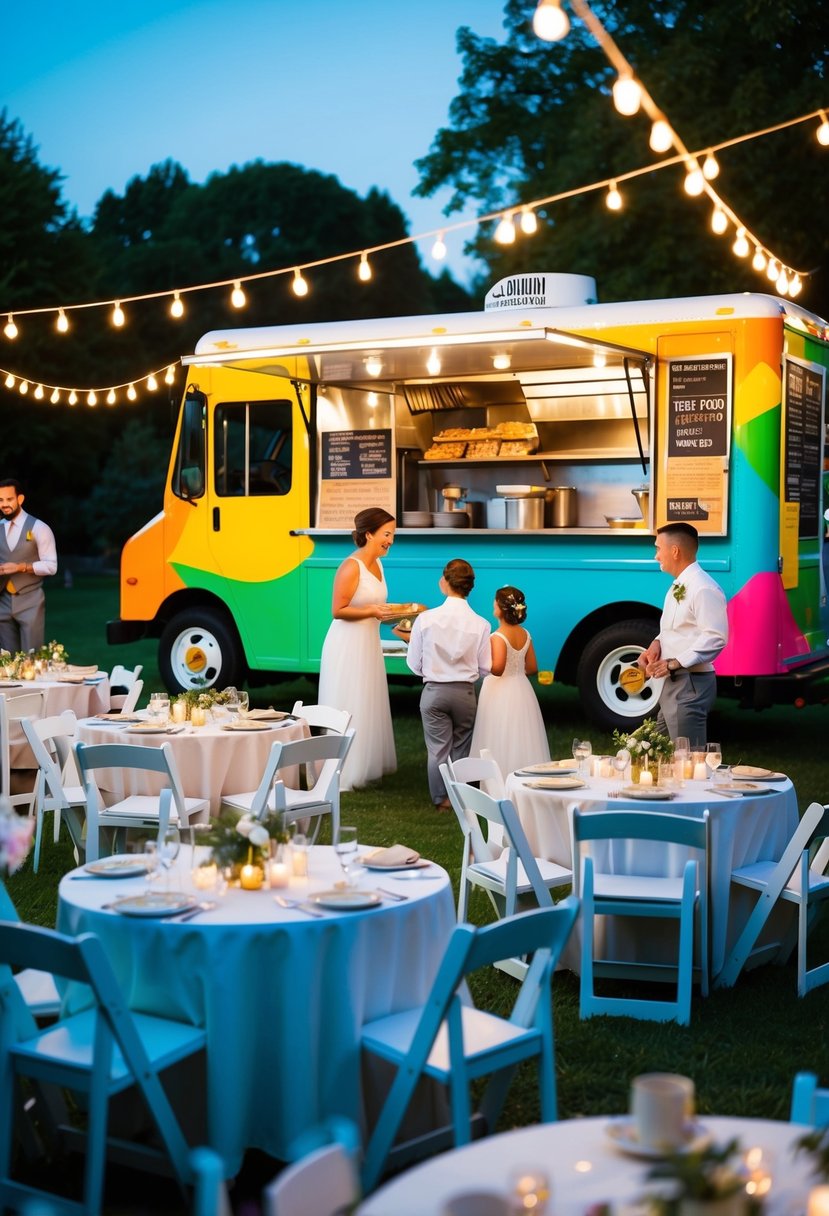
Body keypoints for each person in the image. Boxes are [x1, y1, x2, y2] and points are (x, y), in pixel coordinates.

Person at [318, 507, 398, 790]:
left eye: (393, 534)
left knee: (366, 701)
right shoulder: (351, 566)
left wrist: (386, 612)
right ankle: (344, 771)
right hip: (347, 645)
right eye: (386, 534)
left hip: (368, 643)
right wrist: (371, 611)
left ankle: (364, 765)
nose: (391, 540)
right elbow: (338, 610)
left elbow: (373, 605)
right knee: (349, 702)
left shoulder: (379, 564)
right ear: (369, 534)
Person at [406, 558, 491, 811]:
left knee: (437, 750)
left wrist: (432, 672)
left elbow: (413, 663)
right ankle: (461, 797)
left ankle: (441, 800)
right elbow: (485, 667)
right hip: (465, 693)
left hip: (434, 692)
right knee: (461, 748)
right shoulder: (481, 624)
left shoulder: (426, 619)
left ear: (445, 582)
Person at [638, 522, 728, 747]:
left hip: (690, 684)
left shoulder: (704, 588)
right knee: (656, 751)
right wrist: (656, 644)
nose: (656, 555)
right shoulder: (678, 585)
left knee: (687, 760)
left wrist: (675, 662)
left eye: (658, 548)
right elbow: (677, 628)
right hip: (674, 683)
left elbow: (716, 636)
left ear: (675, 551)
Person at [469, 585, 550, 786]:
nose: (492, 605)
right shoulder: (525, 634)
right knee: (521, 735)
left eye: (494, 602)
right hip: (521, 688)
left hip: (500, 690)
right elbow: (532, 667)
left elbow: (497, 668)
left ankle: (498, 783)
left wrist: (480, 663)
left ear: (501, 608)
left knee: (498, 732)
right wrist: (517, 671)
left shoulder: (498, 636)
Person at [0, 477, 57, 654]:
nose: (4, 504)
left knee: (31, 658)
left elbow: (51, 566)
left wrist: (21, 567)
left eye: (9, 499)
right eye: (0, 500)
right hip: (2, 600)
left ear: (20, 499)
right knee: (6, 660)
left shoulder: (40, 528)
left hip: (30, 599)